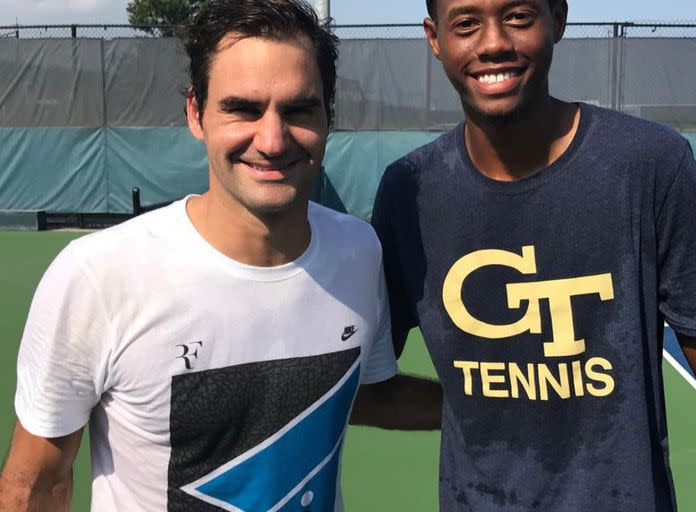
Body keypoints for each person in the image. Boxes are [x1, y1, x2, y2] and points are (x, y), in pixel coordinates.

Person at [0, 1, 441, 510]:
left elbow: (356, 395)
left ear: (328, 115)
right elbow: (37, 482)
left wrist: (509, 405)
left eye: (298, 109)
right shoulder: (97, 275)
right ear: (196, 113)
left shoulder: (360, 251)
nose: (272, 140)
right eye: (243, 109)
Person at [371, 0, 696, 510]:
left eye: (518, 16)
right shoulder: (408, 191)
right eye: (466, 24)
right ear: (435, 38)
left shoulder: (650, 165)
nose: (493, 44)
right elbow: (359, 383)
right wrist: (477, 409)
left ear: (558, 18)